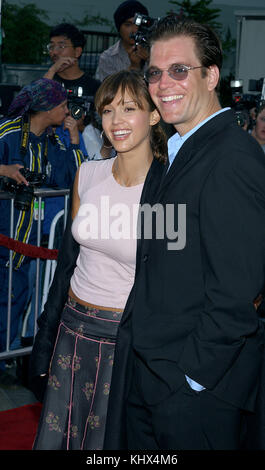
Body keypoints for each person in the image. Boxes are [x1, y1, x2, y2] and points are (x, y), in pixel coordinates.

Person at [103, 17, 265, 451]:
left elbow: (236, 293)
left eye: (180, 70)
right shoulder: (174, 151)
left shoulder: (233, 159)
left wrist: (189, 379)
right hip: (149, 369)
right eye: (154, 72)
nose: (163, 83)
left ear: (211, 76)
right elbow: (163, 251)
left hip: (194, 390)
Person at [29, 70, 167, 450]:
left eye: (128, 108)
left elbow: (168, 280)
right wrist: (47, 330)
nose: (116, 121)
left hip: (123, 337)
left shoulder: (165, 188)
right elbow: (67, 263)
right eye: (107, 111)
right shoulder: (87, 175)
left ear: (154, 115)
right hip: (72, 327)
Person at [0, 78, 84, 377]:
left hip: (28, 241)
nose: (67, 110)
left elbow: (76, 180)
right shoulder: (8, 133)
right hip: (6, 235)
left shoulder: (55, 139)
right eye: (62, 104)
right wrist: (4, 170)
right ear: (46, 108)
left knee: (15, 297)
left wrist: (74, 140)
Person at [95, 1, 149, 82]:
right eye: (128, 24)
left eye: (138, 25)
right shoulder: (108, 58)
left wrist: (150, 59)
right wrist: (134, 67)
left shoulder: (155, 52)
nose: (134, 30)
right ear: (119, 28)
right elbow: (108, 91)